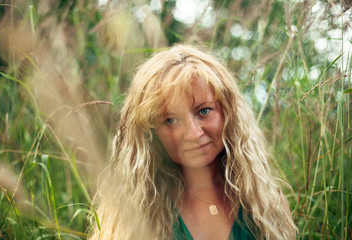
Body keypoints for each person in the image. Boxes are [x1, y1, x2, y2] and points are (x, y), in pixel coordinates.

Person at [88, 45, 297, 240]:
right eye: (170, 120)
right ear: (151, 131)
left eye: (203, 111)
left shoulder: (267, 204)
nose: (193, 133)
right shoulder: (134, 210)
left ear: (228, 112)